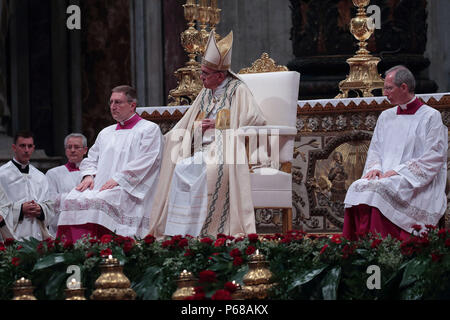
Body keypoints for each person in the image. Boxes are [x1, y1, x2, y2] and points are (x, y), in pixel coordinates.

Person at [148, 31, 267, 239]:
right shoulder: (205, 92)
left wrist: (220, 125)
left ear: (220, 75)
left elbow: (254, 120)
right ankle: (183, 231)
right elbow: (188, 123)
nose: (200, 77)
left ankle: (210, 232)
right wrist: (196, 130)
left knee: (208, 171)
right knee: (181, 167)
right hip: (203, 148)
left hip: (227, 150)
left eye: (205, 74)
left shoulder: (238, 90)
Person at [343, 65, 448, 240]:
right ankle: (357, 247)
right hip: (385, 176)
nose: (385, 93)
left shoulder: (430, 116)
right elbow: (376, 149)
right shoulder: (386, 116)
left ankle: (383, 245)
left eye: (389, 88)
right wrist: (375, 167)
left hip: (413, 180)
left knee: (380, 190)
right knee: (358, 187)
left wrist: (399, 171)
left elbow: (434, 156)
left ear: (404, 87)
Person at [56, 85, 163, 242]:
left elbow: (148, 160)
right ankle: (78, 250)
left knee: (100, 202)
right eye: (111, 102)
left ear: (132, 105)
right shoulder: (106, 132)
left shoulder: (148, 129)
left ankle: (103, 246)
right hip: (102, 186)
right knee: (72, 199)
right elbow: (91, 159)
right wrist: (88, 176)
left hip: (130, 189)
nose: (113, 106)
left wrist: (119, 179)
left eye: (118, 102)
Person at [0, 131, 54, 240]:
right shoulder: (2, 174)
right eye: (22, 146)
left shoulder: (40, 176)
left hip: (36, 235)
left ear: (33, 148)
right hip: (11, 237)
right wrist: (20, 209)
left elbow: (50, 207)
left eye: (30, 146)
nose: (26, 150)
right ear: (14, 147)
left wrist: (41, 210)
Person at [45, 133, 88, 237]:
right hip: (60, 229)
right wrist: (81, 198)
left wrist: (65, 196)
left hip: (86, 227)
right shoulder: (53, 173)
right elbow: (49, 202)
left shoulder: (93, 174)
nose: (72, 150)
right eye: (69, 147)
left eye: (77, 147)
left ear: (85, 150)